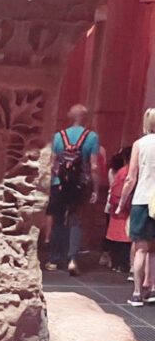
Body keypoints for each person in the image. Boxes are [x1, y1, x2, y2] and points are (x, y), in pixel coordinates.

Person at [45, 104, 100, 275]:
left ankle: (54, 259)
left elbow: (52, 164)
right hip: (79, 185)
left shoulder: (58, 136)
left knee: (58, 221)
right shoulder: (91, 137)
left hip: (59, 184)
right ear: (85, 117)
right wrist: (96, 189)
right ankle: (72, 259)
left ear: (70, 115)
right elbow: (94, 166)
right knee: (76, 221)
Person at [117, 108, 155, 307]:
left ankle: (137, 293)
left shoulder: (139, 145)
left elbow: (131, 177)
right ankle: (153, 289)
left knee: (140, 248)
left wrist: (121, 202)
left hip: (142, 200)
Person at [105, 147, 133, 275]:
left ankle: (116, 264)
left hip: (115, 207)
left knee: (116, 238)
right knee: (125, 238)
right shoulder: (129, 172)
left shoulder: (119, 171)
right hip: (125, 208)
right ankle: (123, 264)